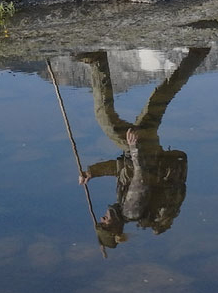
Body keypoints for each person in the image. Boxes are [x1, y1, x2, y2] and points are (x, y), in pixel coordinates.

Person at [74, 48, 209, 247]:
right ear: (114, 228)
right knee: (106, 120)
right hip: (142, 150)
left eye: (100, 220)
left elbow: (121, 169)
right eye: (104, 223)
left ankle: (197, 56)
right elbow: (140, 176)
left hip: (149, 152)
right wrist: (134, 147)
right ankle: (98, 62)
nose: (103, 218)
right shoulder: (131, 210)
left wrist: (92, 172)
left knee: (160, 99)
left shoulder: (125, 208)